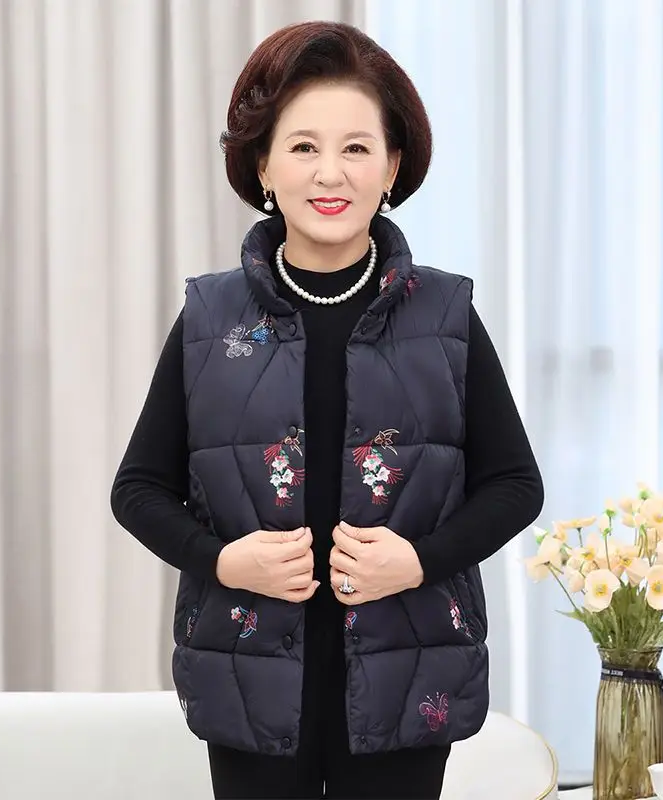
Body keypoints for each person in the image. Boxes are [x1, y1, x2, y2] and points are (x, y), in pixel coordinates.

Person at [111, 20, 543, 800]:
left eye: (356, 147)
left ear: (392, 166)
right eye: (304, 146)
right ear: (264, 165)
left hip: (408, 679)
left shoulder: (445, 315)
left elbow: (516, 485)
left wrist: (417, 561)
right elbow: (137, 490)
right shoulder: (210, 318)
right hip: (247, 683)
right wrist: (223, 561)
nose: (330, 172)